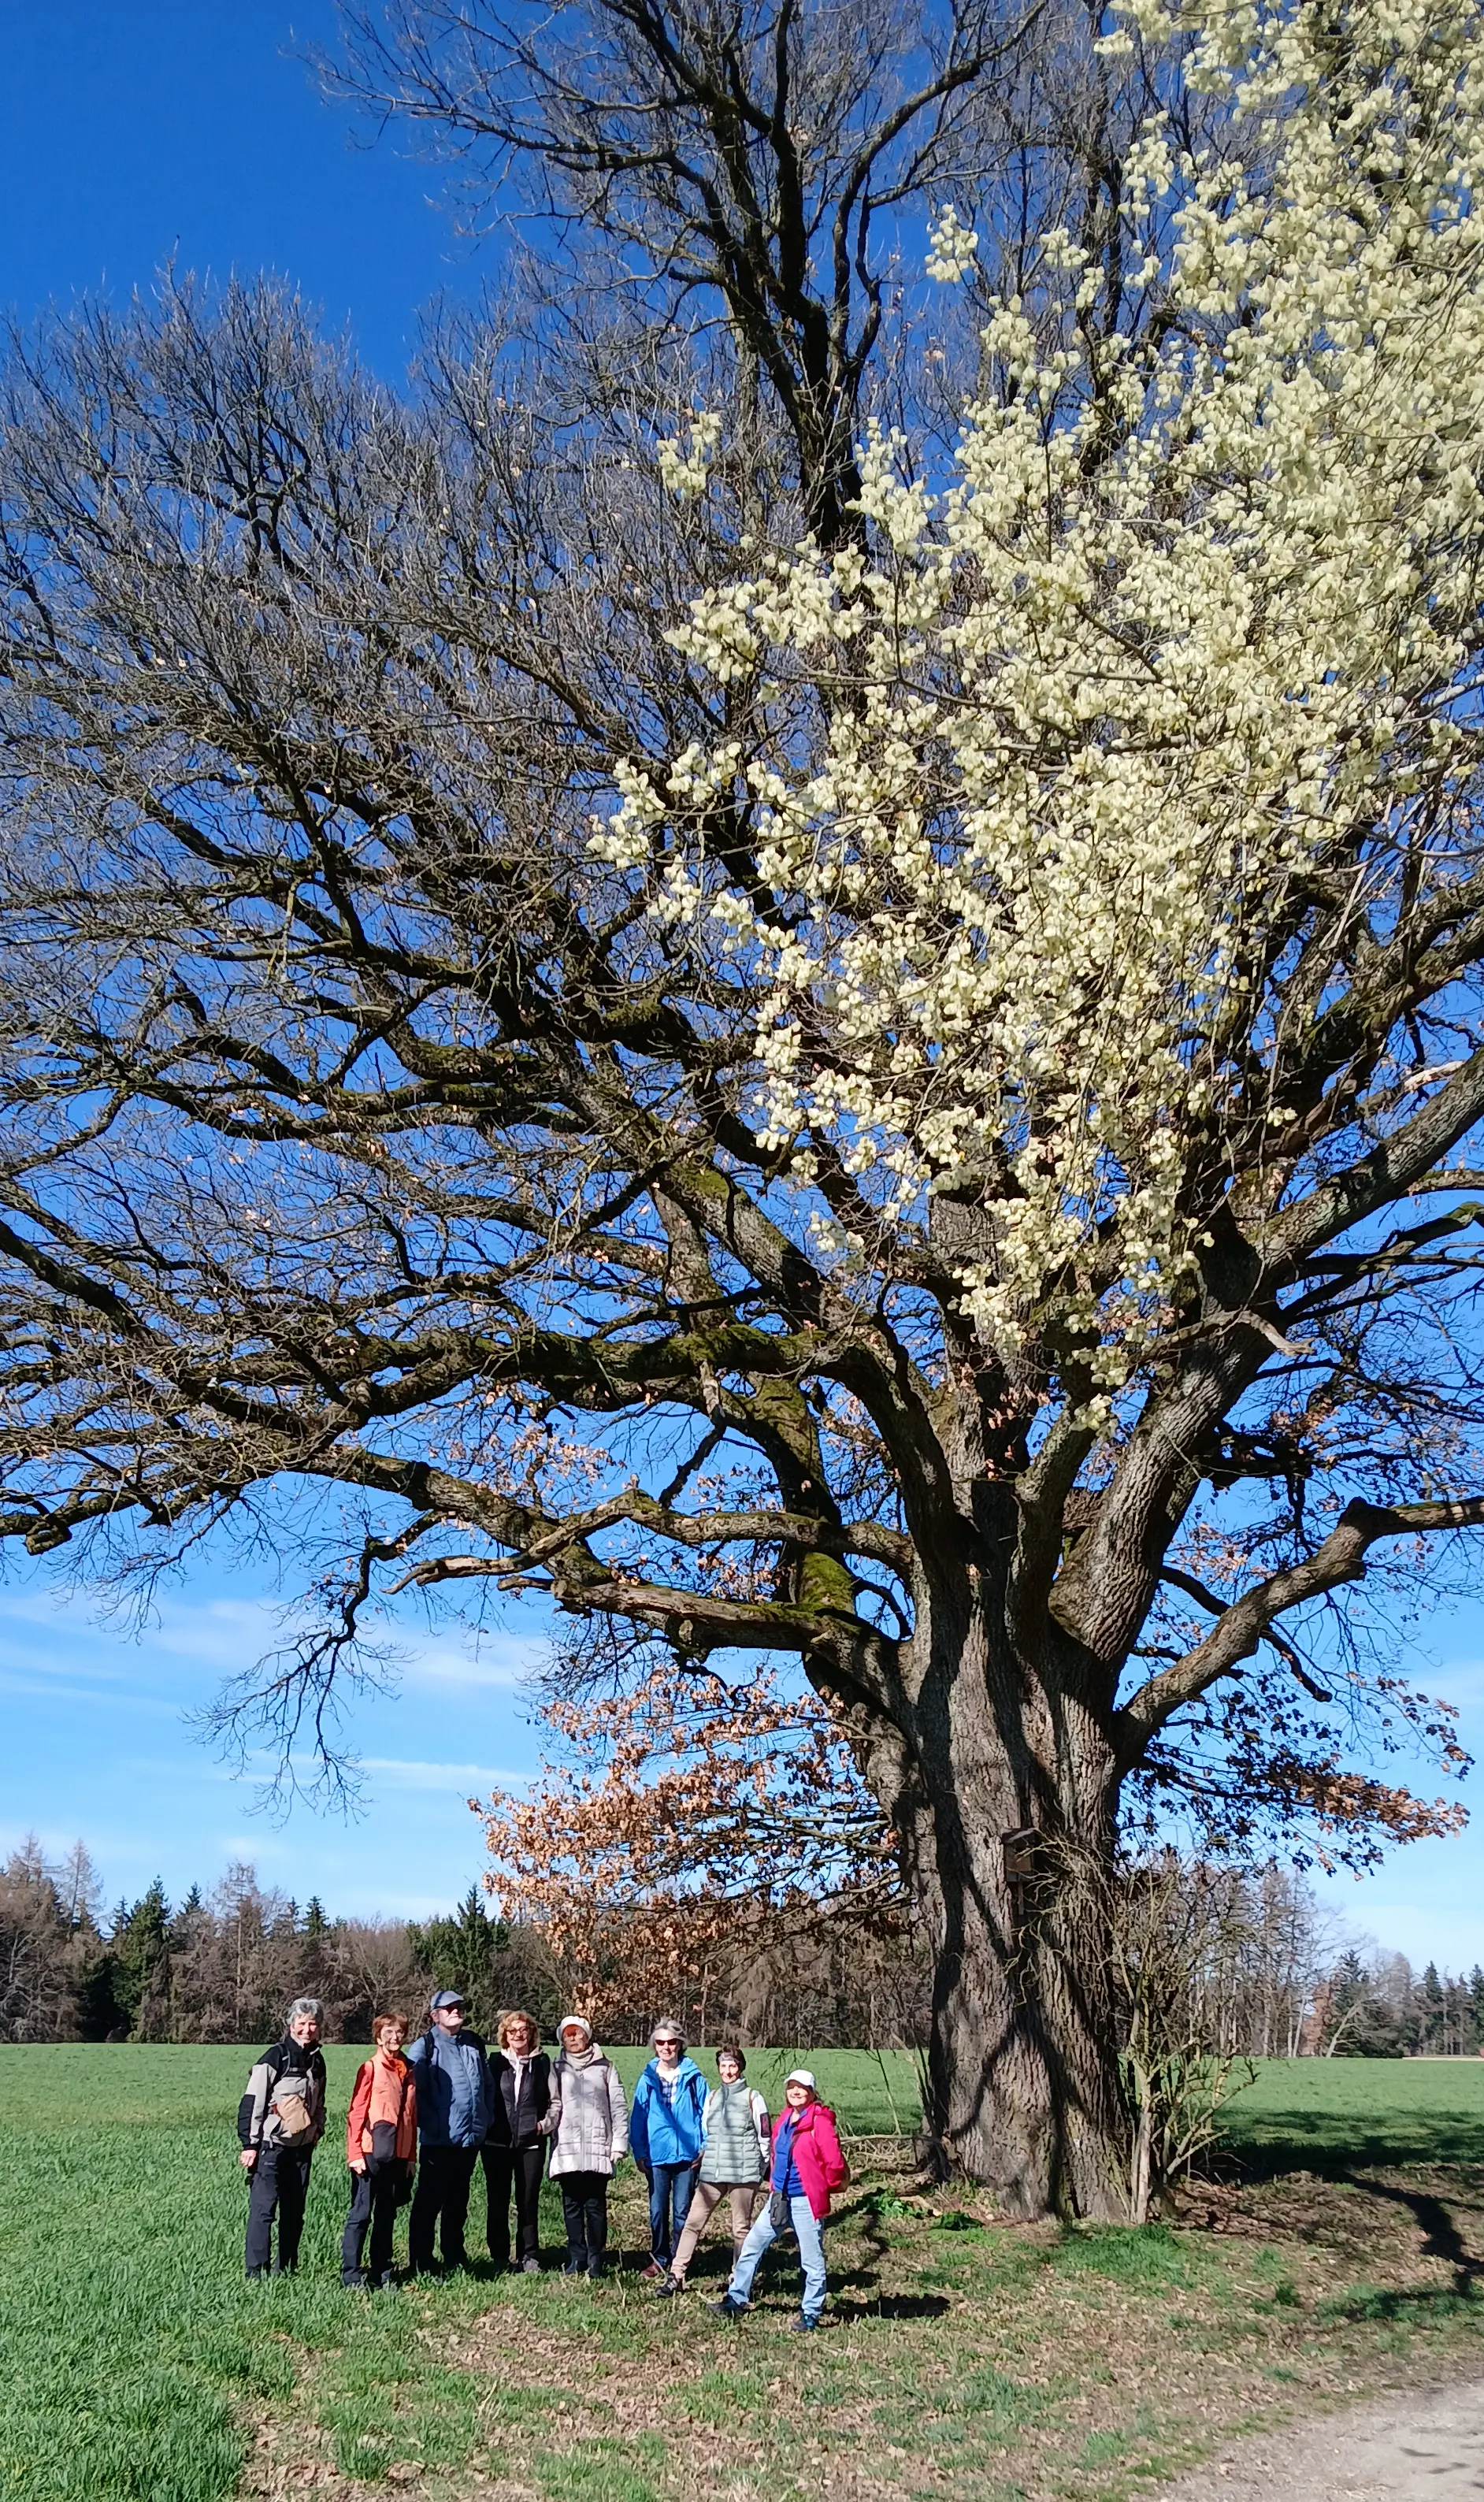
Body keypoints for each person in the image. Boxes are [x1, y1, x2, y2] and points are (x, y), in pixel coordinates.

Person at [711, 2068, 848, 2333]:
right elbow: (776, 2153)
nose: (795, 2092)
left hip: (806, 2201)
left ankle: (811, 2313)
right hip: (780, 2198)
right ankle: (736, 2299)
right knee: (752, 2244)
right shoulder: (785, 2118)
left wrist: (824, 2187)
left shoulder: (820, 2122)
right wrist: (774, 2184)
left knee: (811, 2260)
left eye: (801, 2088)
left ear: (811, 2092)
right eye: (791, 2087)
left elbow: (835, 2163)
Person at [655, 2043, 769, 2296]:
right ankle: (677, 2275)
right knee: (693, 2223)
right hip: (713, 2173)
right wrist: (703, 2154)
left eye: (733, 2066)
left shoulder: (754, 2098)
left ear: (740, 2068)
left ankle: (740, 2280)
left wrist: (760, 2169)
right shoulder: (713, 2097)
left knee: (740, 2229)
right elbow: (707, 2132)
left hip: (744, 2174)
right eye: (724, 2066)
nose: (728, 2071)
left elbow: (765, 2137)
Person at [237, 1995, 328, 2279]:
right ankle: (256, 2273)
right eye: (302, 2023)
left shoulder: (317, 2062)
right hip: (270, 2148)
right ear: (291, 2025)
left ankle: (286, 2270)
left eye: (313, 2024)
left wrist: (318, 2131)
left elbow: (320, 2101)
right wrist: (250, 2144)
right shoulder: (275, 2057)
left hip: (302, 2151)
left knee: (294, 2214)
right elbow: (252, 2102)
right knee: (263, 2212)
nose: (307, 2029)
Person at [406, 1988, 493, 2274]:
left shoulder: (473, 2043)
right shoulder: (425, 2046)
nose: (456, 2010)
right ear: (435, 2015)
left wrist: (486, 2118)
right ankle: (422, 2261)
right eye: (449, 2007)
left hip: (469, 2139)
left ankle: (454, 2255)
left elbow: (487, 2086)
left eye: (459, 2006)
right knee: (429, 2204)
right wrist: (433, 2126)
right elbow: (415, 2094)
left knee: (458, 2201)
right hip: (439, 2141)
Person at [547, 2014, 629, 2278]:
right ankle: (576, 2258)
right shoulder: (555, 2067)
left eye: (577, 2033)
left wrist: (619, 2143)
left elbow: (618, 2105)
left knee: (594, 2206)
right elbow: (551, 2103)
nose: (573, 2038)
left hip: (597, 2146)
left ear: (587, 2035)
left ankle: (596, 2259)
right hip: (567, 2146)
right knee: (571, 2205)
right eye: (567, 2034)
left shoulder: (605, 2067)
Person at [342, 2011, 417, 2289]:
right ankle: (351, 2274)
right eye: (388, 2032)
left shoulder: (409, 2069)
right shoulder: (370, 2069)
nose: (395, 2037)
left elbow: (411, 2117)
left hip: (397, 2155)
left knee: (387, 2215)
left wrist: (411, 2157)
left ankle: (382, 2272)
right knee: (361, 2214)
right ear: (378, 2037)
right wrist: (355, 2154)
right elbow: (356, 2112)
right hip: (370, 2152)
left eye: (399, 2032)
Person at [629, 2018, 709, 2281]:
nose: (666, 2047)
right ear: (655, 2046)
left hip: (687, 2156)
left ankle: (680, 2262)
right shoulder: (647, 2079)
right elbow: (638, 2117)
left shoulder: (694, 2077)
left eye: (671, 2042)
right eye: (661, 2042)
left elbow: (706, 2113)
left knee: (682, 2212)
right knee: (657, 2210)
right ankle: (659, 2258)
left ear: (680, 2044)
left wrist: (704, 2145)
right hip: (657, 2154)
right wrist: (639, 2151)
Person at [483, 2008, 560, 2271]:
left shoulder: (542, 2063)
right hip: (496, 2143)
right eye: (513, 2031)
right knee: (497, 2199)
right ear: (505, 2035)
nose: (518, 2035)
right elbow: (482, 2098)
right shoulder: (494, 2063)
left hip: (532, 2143)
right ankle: (499, 2255)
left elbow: (555, 2102)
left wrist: (544, 2125)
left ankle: (529, 2254)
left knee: (528, 2199)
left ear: (531, 2034)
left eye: (523, 2030)